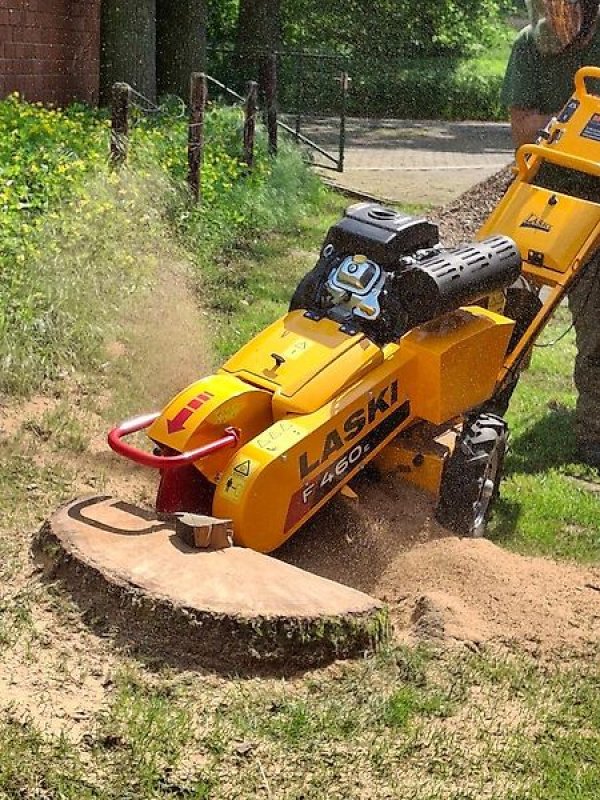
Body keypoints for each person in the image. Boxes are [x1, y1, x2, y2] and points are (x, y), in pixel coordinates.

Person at [501, 0, 600, 469]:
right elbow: (523, 130)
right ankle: (479, 405)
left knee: (597, 327)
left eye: (560, 7)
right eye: (544, 6)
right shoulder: (529, 47)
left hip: (596, 206)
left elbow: (540, 126)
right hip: (539, 196)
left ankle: (593, 436)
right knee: (503, 308)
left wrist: (555, 126)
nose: (551, 16)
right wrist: (577, 125)